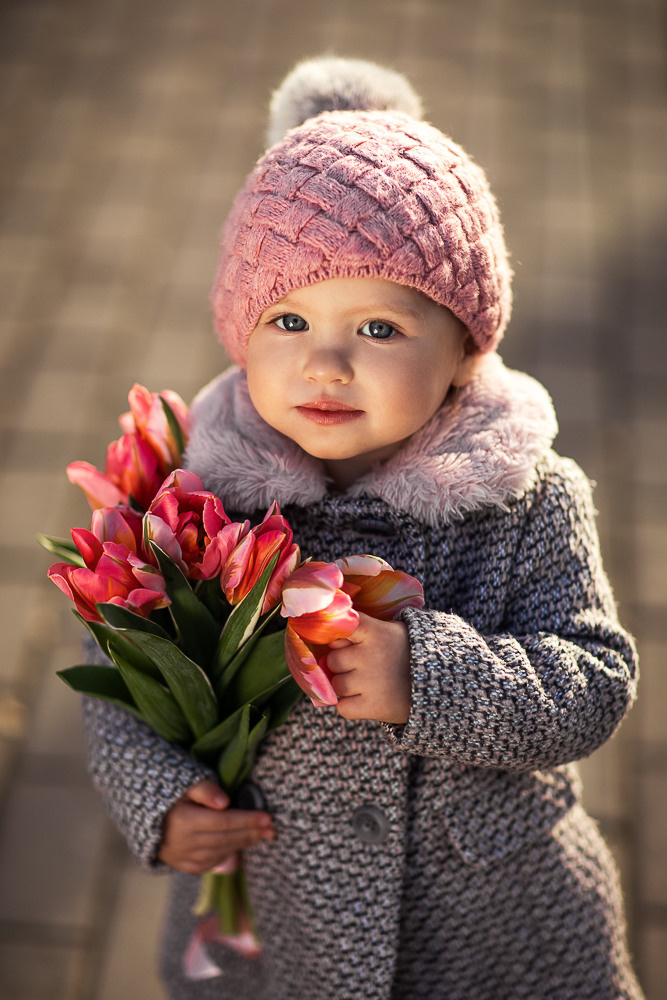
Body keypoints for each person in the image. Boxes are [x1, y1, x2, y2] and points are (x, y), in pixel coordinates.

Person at [82, 57, 645, 999]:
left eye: (380, 329)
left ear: (467, 347)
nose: (328, 365)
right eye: (290, 320)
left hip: (485, 919)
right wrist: (161, 800)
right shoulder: (197, 497)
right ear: (240, 333)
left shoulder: (526, 496)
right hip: (276, 912)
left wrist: (425, 675)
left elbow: (592, 680)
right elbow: (124, 674)